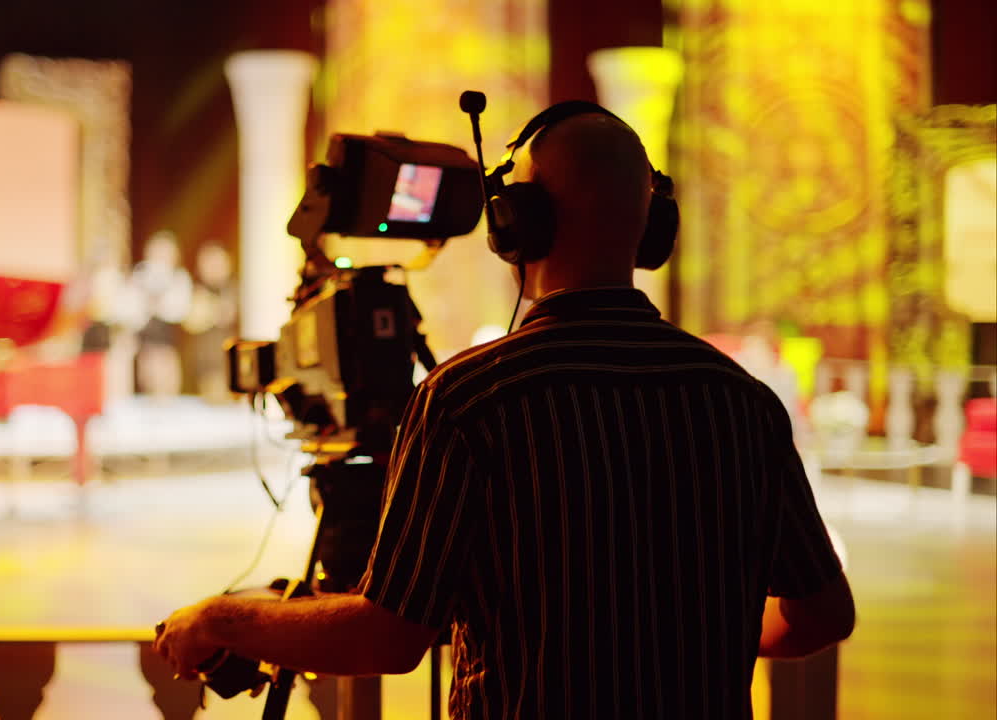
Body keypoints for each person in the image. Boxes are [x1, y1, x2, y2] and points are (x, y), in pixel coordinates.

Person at [155, 107, 855, 718]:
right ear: (649, 228)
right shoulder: (743, 404)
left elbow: (388, 638)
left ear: (518, 224)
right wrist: (703, 632)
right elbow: (824, 614)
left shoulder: (469, 403)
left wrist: (225, 621)